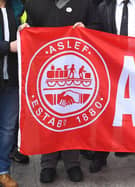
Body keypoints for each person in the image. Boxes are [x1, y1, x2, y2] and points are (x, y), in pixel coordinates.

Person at [22, 0, 101, 183]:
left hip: (74, 73)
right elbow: (26, 24)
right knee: (48, 118)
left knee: (71, 117)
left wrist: (86, 28)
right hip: (46, 75)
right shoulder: (34, 4)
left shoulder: (85, 3)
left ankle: (72, 163)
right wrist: (25, 28)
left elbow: (98, 26)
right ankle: (48, 164)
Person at [90, 0, 135, 173]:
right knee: (107, 114)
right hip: (112, 70)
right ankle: (100, 156)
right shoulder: (103, 8)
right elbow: (95, 36)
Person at [0, 0, 24, 186]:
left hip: (12, 79)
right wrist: (8, 47)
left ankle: (3, 171)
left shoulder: (16, 7)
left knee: (8, 129)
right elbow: (11, 45)